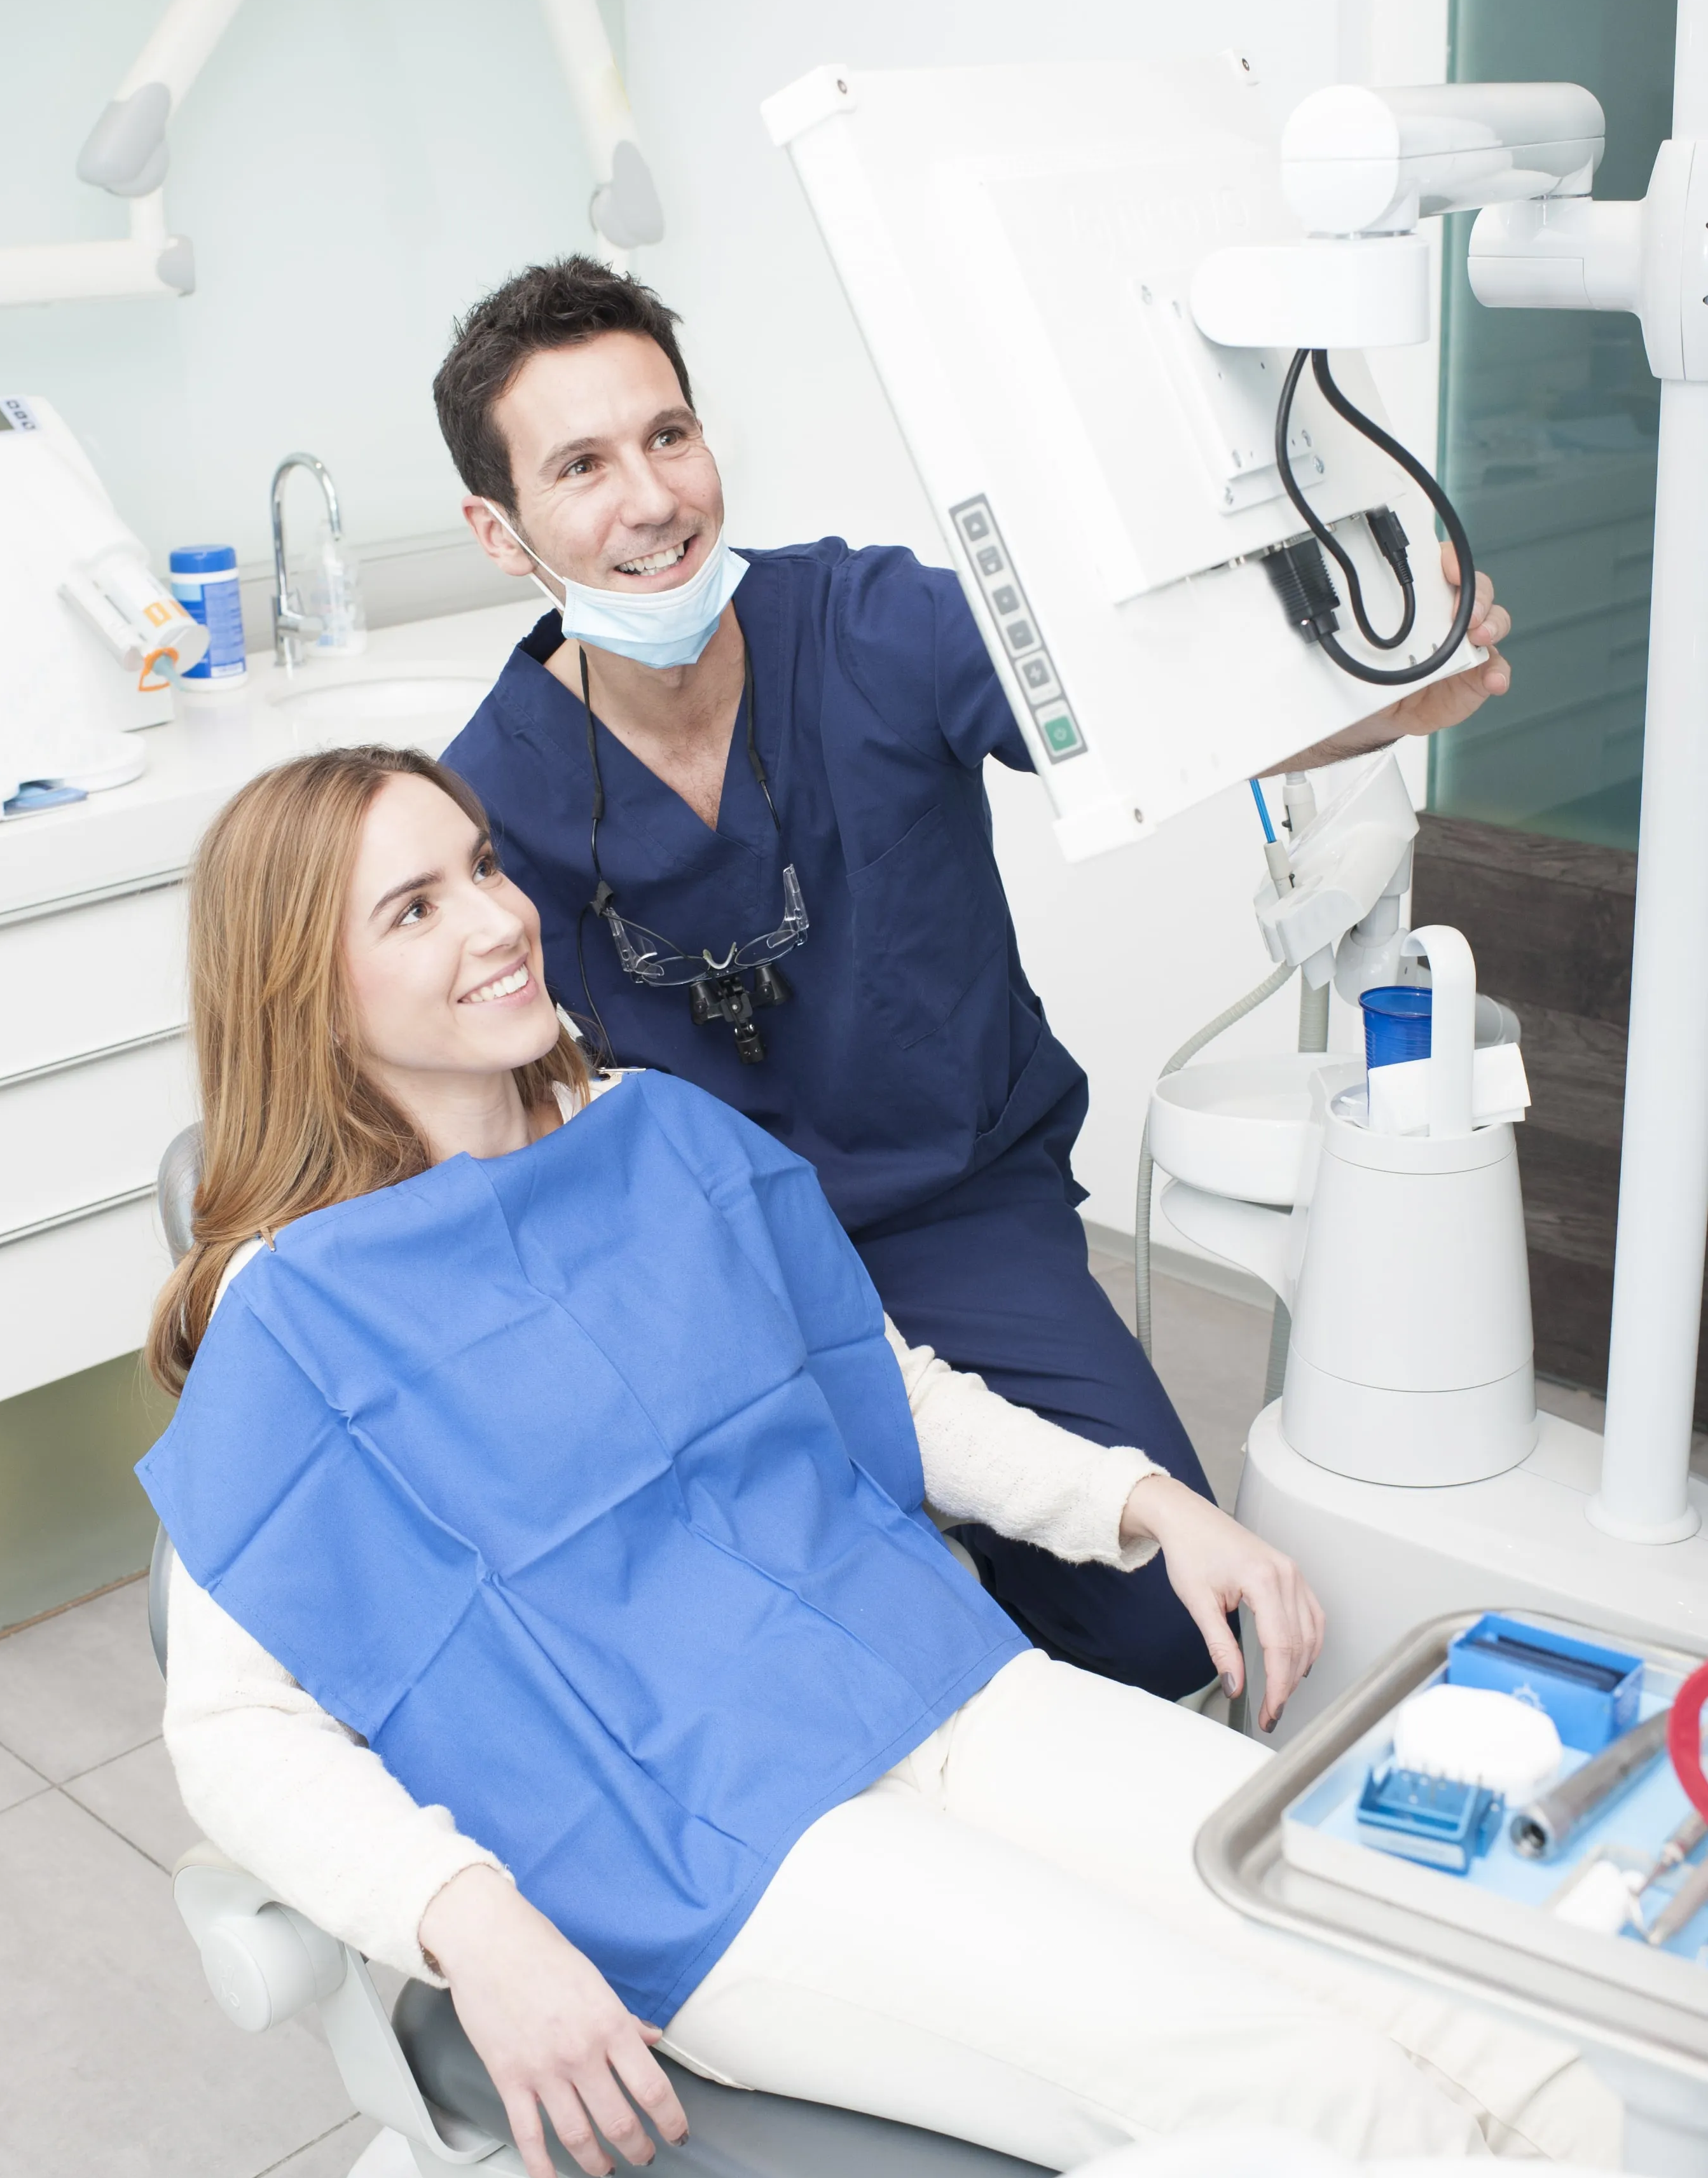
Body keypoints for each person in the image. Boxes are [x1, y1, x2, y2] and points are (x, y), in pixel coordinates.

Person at [143, 747, 1609, 2178]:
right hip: (711, 1852)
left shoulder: (657, 1133)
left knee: (1448, 1972)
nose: (497, 921)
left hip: (935, 1678)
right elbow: (235, 1730)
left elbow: (878, 1388)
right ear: (311, 989)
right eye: (416, 907)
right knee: (1319, 2093)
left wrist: (1144, 1500)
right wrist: (470, 1924)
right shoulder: (296, 1312)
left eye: (488, 868)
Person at [434, 258, 1515, 1713]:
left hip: (953, 1212)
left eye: (668, 436)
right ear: (499, 531)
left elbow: (1148, 717)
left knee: (1162, 1636)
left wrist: (1364, 696)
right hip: (709, 1262)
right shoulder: (488, 798)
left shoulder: (871, 627)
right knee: (774, 1668)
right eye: (581, 466)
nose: (652, 499)